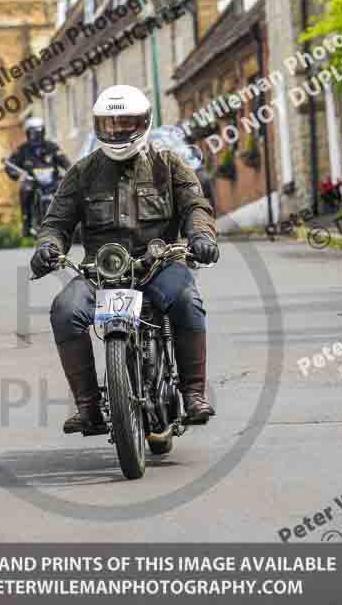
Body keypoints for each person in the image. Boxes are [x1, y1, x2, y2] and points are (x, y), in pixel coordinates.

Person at [30, 85, 219, 436]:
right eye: (110, 124)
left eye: (125, 123)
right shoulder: (82, 172)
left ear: (143, 123)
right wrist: (47, 247)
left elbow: (196, 206)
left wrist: (202, 237)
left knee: (186, 300)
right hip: (100, 273)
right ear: (99, 125)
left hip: (158, 266)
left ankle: (193, 394)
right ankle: (88, 408)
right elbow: (56, 223)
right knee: (65, 310)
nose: (117, 131)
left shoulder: (168, 164)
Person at [5, 116, 70, 237]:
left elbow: (64, 161)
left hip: (53, 180)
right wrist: (14, 173)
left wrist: (70, 171)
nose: (36, 136)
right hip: (33, 181)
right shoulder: (23, 149)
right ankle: (27, 223)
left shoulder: (51, 147)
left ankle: (72, 220)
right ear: (28, 133)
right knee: (25, 190)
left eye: (39, 132)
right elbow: (11, 164)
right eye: (33, 133)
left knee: (68, 190)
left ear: (43, 131)